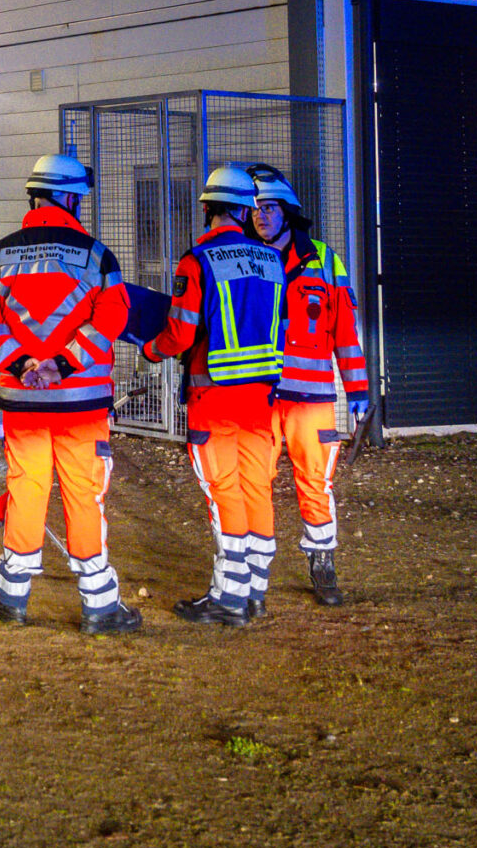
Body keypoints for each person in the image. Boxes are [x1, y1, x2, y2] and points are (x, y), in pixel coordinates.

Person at [0, 155, 143, 635]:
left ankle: (10, 597)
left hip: (23, 403)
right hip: (81, 404)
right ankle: (99, 605)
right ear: (69, 198)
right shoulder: (97, 254)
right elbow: (111, 321)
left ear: (35, 197)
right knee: (83, 496)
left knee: (26, 487)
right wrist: (62, 364)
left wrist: (23, 365)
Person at [139, 162, 288, 627]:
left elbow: (180, 334)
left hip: (214, 398)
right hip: (261, 400)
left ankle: (229, 597)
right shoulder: (272, 262)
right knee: (255, 489)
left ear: (206, 208)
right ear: (245, 211)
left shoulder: (197, 261)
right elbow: (281, 327)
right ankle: (255, 589)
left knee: (223, 494)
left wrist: (150, 347)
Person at [251, 167, 369, 606]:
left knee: (315, 483)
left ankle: (322, 560)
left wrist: (357, 393)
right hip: (258, 397)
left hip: (312, 398)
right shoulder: (243, 256)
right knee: (253, 482)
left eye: (270, 207)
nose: (261, 216)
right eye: (255, 209)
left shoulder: (324, 259)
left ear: (289, 212)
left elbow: (345, 333)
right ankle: (253, 569)